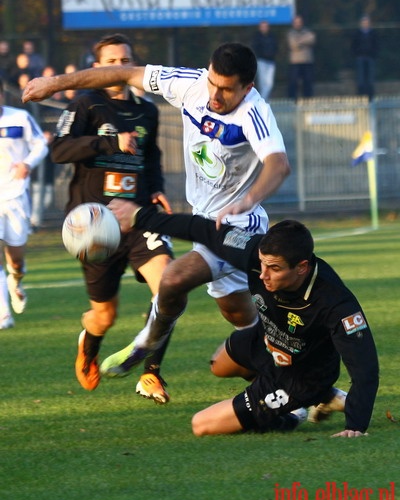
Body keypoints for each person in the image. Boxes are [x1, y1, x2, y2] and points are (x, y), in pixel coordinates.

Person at [22, 43, 291, 401]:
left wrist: (246, 200)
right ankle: (298, 385)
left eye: (227, 89)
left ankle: (145, 347)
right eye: (213, 83)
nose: (215, 95)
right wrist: (55, 83)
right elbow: (122, 74)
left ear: (248, 87)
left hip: (238, 226)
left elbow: (278, 164)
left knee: (173, 278)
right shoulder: (190, 85)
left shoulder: (255, 113)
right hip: (200, 224)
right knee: (240, 316)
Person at [108, 202, 380, 438]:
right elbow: (200, 229)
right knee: (219, 366)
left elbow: (365, 369)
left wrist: (355, 426)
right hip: (266, 343)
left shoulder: (336, 304)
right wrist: (139, 217)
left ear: (302, 268)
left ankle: (292, 414)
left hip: (301, 377)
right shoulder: (253, 252)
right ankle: (328, 397)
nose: (263, 275)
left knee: (201, 425)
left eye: (274, 269)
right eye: (262, 264)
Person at [48, 33, 174, 401]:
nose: (120, 67)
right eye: (112, 61)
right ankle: (89, 342)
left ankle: (150, 373)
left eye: (125, 61)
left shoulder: (147, 110)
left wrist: (155, 186)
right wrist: (108, 142)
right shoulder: (85, 103)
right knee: (104, 316)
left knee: (169, 286)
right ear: (97, 66)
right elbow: (59, 149)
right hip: (95, 226)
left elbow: (150, 156)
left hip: (137, 217)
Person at [0, 78, 48, 329]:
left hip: (16, 195)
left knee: (15, 258)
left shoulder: (19, 118)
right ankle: (3, 312)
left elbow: (41, 144)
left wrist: (27, 163)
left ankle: (15, 280)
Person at [30, 130, 55, 230]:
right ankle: (34, 223)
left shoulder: (51, 149)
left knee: (47, 200)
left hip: (48, 179)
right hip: (37, 179)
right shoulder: (37, 147)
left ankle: (36, 219)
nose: (47, 139)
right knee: (36, 201)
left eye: (49, 138)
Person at [287, 15, 316, 100]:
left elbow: (312, 39)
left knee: (308, 82)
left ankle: (308, 100)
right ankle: (292, 101)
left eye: (299, 22)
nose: (298, 24)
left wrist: (299, 41)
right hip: (295, 62)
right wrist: (304, 42)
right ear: (293, 23)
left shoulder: (307, 31)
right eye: (296, 22)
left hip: (307, 61)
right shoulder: (290, 33)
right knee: (293, 82)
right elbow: (293, 45)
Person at [351, 15, 379, 101]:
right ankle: (361, 96)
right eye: (364, 22)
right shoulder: (357, 34)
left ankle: (370, 96)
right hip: (360, 57)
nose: (365, 24)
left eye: (367, 22)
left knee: (370, 78)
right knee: (361, 78)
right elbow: (353, 45)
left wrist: (373, 54)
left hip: (370, 57)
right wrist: (357, 54)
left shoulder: (373, 33)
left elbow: (376, 45)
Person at [251, 20, 278, 101]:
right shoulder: (257, 37)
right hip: (261, 61)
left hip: (271, 62)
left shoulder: (272, 36)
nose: (264, 28)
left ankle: (262, 100)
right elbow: (255, 47)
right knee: (263, 83)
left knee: (269, 84)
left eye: (265, 26)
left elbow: (276, 47)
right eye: (263, 26)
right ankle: (264, 101)